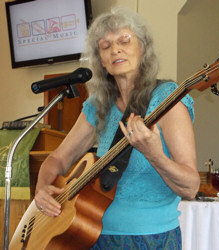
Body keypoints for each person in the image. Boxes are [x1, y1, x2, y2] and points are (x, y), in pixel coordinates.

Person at [34, 7, 200, 249]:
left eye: (125, 40)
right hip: (90, 232)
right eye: (105, 45)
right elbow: (58, 158)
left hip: (151, 238)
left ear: (143, 49)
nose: (115, 49)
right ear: (101, 61)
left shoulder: (168, 98)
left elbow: (191, 186)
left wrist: (154, 154)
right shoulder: (98, 104)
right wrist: (42, 190)